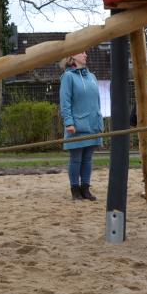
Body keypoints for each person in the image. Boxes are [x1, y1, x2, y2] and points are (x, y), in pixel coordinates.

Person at [60, 50, 102, 201]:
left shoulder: (92, 77)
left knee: (88, 158)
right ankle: (75, 189)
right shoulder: (68, 77)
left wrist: (98, 119)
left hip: (92, 124)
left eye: (85, 53)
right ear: (72, 56)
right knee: (76, 158)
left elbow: (97, 101)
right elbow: (65, 102)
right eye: (82, 53)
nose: (86, 55)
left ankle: (85, 188)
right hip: (77, 125)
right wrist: (68, 122)